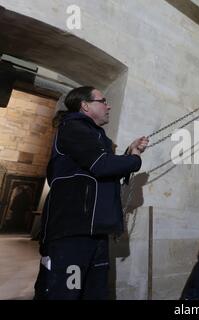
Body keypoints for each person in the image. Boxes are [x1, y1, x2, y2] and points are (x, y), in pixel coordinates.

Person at [34, 86, 149, 300]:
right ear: (85, 105)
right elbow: (101, 165)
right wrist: (134, 160)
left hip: (94, 230)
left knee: (94, 292)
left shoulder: (94, 135)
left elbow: (99, 171)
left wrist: (129, 152)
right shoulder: (73, 128)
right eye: (103, 101)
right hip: (72, 231)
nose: (109, 105)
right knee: (65, 293)